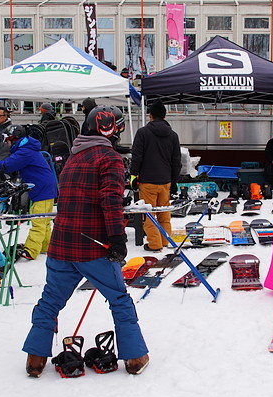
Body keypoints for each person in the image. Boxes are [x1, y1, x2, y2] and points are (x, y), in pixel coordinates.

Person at [22, 105, 149, 377]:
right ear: (110, 128)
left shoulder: (73, 157)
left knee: (50, 301)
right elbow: (110, 200)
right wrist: (117, 238)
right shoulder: (109, 157)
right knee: (119, 299)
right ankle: (136, 357)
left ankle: (35, 359)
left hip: (62, 245)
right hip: (93, 248)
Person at [0, 125, 57, 261]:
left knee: (38, 219)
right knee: (45, 220)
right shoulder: (27, 149)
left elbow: (9, 165)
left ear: (14, 138)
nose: (7, 143)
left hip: (42, 189)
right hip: (46, 188)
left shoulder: (25, 152)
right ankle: (45, 246)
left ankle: (31, 250)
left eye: (7, 140)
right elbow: (11, 162)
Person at [130, 99, 181, 252]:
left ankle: (154, 244)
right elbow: (176, 161)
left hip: (148, 182)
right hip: (165, 181)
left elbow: (136, 156)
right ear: (164, 116)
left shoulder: (143, 133)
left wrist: (133, 176)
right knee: (164, 213)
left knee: (149, 215)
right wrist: (174, 181)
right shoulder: (173, 135)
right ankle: (165, 241)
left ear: (150, 115)